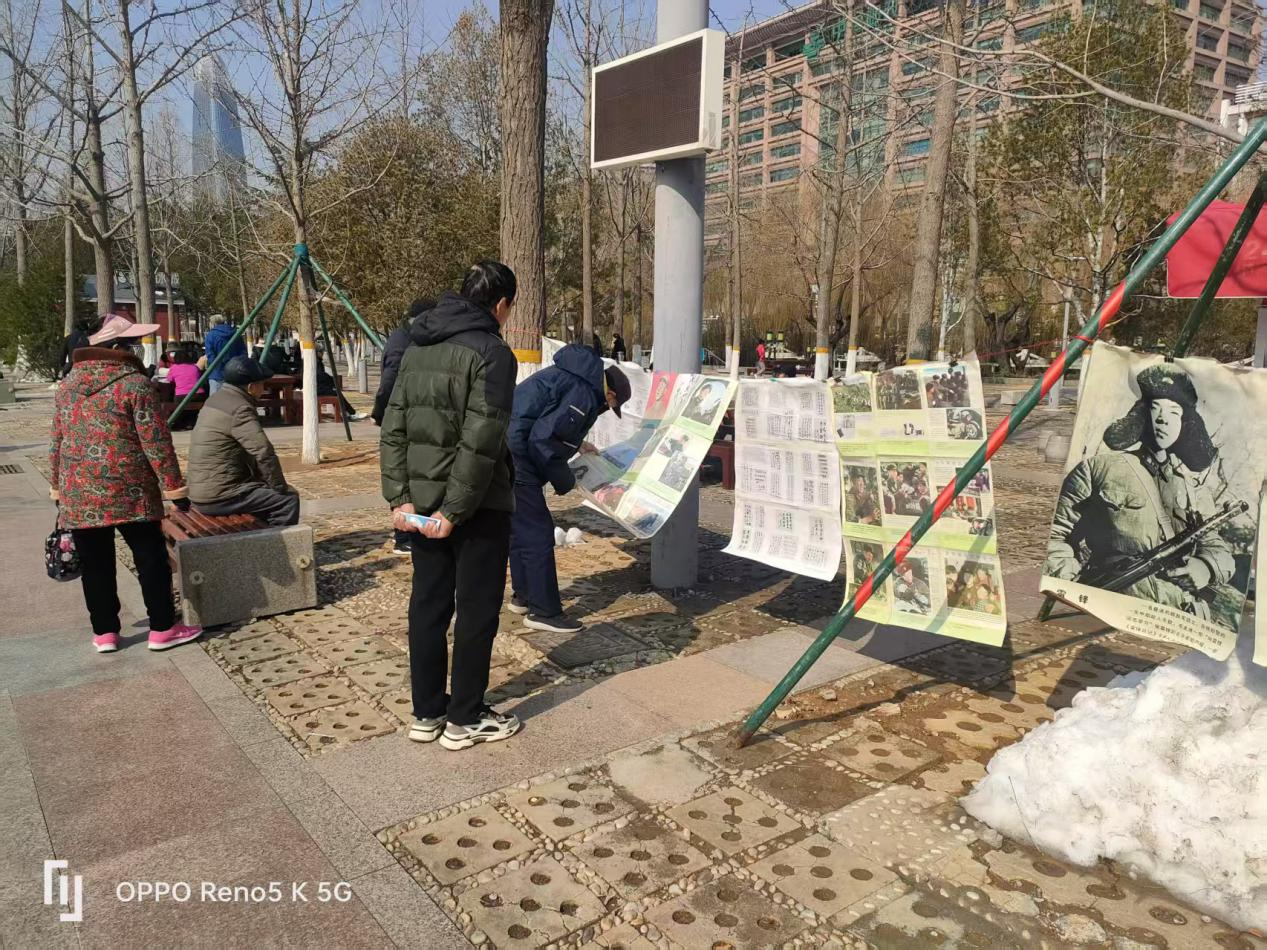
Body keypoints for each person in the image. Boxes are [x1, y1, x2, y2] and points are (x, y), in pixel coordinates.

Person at [381, 261, 521, 751]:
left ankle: (427, 712)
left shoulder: (418, 346)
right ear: (500, 304)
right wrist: (455, 511)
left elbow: (392, 426)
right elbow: (482, 441)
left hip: (421, 505)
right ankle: (465, 716)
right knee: (477, 608)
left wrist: (399, 497)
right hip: (476, 507)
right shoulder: (493, 353)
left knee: (428, 604)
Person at [49, 313, 202, 654]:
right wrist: (175, 489)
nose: (136, 349)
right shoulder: (134, 384)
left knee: (96, 564)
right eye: (131, 342)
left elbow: (57, 439)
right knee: (149, 558)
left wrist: (58, 488)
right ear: (116, 347)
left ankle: (105, 633)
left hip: (79, 490)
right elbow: (156, 443)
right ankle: (163, 628)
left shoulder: (67, 386)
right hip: (131, 489)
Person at [1045, 364, 1237, 625]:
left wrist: (1205, 568)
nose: (1162, 419)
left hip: (1181, 613)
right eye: (1155, 409)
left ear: (1184, 424)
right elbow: (1056, 537)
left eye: (1173, 412)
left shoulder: (1192, 487)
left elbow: (1216, 545)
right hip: (1113, 607)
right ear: (1142, 416)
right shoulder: (1099, 468)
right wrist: (1076, 586)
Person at [507, 345, 631, 634]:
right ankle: (543, 611)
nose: (606, 410)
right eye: (611, 406)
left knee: (521, 529)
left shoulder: (574, 377)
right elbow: (543, 441)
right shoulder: (584, 394)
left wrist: (578, 445)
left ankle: (523, 596)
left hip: (506, 451)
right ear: (609, 394)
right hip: (517, 458)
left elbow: (547, 423)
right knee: (538, 532)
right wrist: (568, 480)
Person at [186, 357, 301, 528]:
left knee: (265, 493)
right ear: (251, 387)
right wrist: (279, 487)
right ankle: (277, 548)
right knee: (287, 500)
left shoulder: (216, 399)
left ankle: (261, 539)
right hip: (219, 495)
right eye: (262, 384)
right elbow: (263, 452)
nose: (263, 389)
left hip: (200, 489)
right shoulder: (240, 409)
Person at [373, 299, 439, 553]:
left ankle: (408, 533)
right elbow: (389, 382)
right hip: (400, 418)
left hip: (406, 416)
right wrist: (381, 413)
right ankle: (404, 537)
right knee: (404, 477)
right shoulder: (404, 342)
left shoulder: (408, 338)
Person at [204, 314, 247, 394]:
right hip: (234, 372)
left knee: (215, 400)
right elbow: (243, 352)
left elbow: (210, 354)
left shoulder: (211, 335)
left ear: (213, 323)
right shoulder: (235, 334)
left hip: (217, 373)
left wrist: (216, 366)